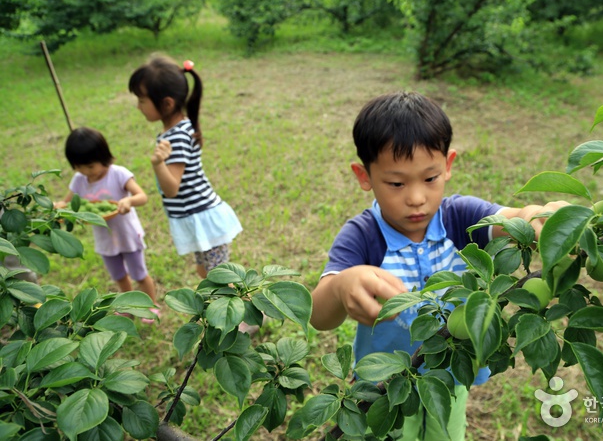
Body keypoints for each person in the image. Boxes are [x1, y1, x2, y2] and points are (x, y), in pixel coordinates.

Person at [310, 91, 567, 440]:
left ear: (448, 165)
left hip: (451, 374)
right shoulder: (364, 235)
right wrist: (341, 288)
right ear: (363, 175)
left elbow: (512, 218)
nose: (416, 197)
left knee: (445, 433)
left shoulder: (461, 217)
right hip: (383, 386)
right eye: (396, 183)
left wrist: (533, 216)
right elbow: (319, 315)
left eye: (430, 179)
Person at [127, 55, 251, 326]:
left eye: (141, 100)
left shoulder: (176, 137)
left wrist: (158, 164)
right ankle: (233, 312)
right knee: (204, 270)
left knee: (219, 276)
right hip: (197, 219)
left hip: (204, 219)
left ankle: (244, 319)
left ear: (166, 103)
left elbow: (172, 188)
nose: (138, 106)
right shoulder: (178, 128)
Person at [55, 127, 159, 323]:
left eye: (90, 167)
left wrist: (128, 201)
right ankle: (128, 306)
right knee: (119, 276)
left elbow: (142, 196)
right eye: (79, 167)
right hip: (105, 240)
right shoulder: (79, 180)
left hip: (127, 235)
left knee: (139, 274)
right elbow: (67, 203)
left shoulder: (118, 174)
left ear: (103, 158)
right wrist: (58, 208)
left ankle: (150, 306)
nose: (86, 172)